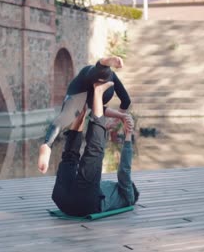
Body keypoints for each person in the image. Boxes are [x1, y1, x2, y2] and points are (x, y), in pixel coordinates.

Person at [51, 81, 139, 216]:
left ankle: (98, 92)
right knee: (70, 157)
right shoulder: (110, 191)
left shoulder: (129, 196)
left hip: (85, 204)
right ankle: (84, 108)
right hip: (63, 199)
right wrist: (120, 115)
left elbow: (124, 171)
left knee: (94, 152)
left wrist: (128, 135)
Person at [38, 56, 131, 174]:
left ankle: (47, 145)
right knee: (80, 111)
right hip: (96, 86)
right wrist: (119, 117)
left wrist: (119, 117)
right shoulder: (103, 82)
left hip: (88, 87)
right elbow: (125, 101)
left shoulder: (86, 99)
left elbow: (122, 102)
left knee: (66, 116)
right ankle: (105, 64)